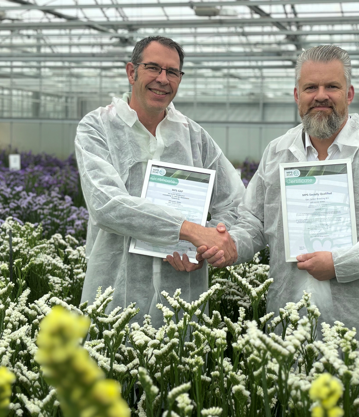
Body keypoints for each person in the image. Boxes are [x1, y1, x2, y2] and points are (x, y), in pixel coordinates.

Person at [198, 45, 359, 344]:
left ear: (349, 94)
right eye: (311, 87)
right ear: (297, 95)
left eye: (332, 86)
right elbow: (253, 222)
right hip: (289, 320)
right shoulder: (278, 151)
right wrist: (230, 246)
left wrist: (341, 263)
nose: (320, 96)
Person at [75, 36, 243, 328]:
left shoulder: (194, 136)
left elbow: (233, 201)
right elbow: (106, 205)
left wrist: (204, 248)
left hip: (182, 293)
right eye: (153, 68)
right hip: (114, 292)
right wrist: (190, 231)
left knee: (179, 356)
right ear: (132, 72)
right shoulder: (97, 127)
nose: (163, 79)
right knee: (111, 352)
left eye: (172, 72)